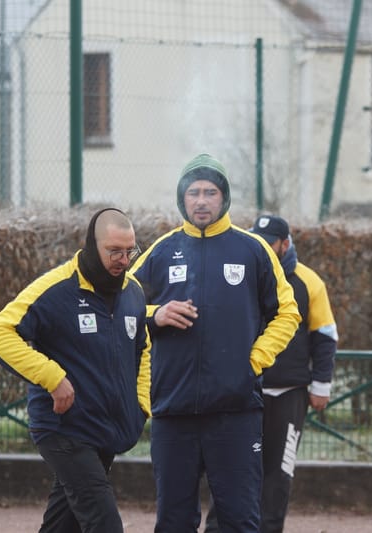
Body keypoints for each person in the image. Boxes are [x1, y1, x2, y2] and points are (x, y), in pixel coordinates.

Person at [129, 154, 300, 533]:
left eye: (210, 192)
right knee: (173, 521)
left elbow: (287, 313)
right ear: (182, 199)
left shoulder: (252, 250)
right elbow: (119, 310)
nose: (202, 200)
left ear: (223, 199)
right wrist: (154, 315)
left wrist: (254, 360)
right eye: (193, 192)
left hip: (235, 412)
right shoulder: (160, 251)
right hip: (172, 412)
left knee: (239, 520)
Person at [0, 208, 151, 533]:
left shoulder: (133, 291)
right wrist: (53, 377)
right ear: (92, 245)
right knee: (104, 522)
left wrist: (140, 404)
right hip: (64, 428)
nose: (124, 259)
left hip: (106, 430)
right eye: (114, 251)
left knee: (64, 525)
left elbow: (143, 348)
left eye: (130, 251)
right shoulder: (57, 288)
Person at [204, 214, 338, 533]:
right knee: (230, 468)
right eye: (258, 239)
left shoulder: (308, 281)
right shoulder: (239, 273)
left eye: (270, 242)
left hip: (288, 393)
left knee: (278, 473)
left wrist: (321, 385)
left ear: (285, 244)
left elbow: (325, 336)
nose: (263, 246)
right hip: (241, 390)